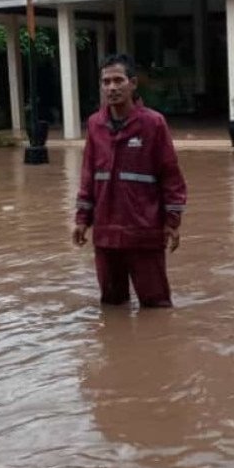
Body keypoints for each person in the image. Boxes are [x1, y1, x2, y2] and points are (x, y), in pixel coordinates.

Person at [72, 53, 187, 307]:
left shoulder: (153, 124)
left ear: (133, 83)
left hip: (144, 233)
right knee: (112, 307)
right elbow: (88, 175)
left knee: (156, 306)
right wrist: (82, 220)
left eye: (118, 80)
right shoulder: (94, 124)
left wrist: (172, 222)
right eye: (106, 82)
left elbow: (170, 176)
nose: (111, 88)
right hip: (106, 235)